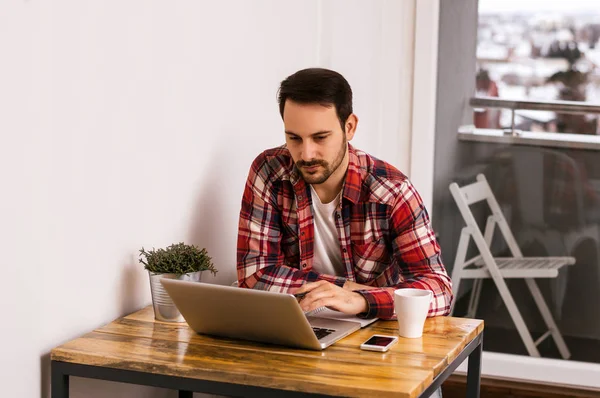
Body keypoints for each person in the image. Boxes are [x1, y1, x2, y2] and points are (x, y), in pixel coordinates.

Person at [236, 68, 453, 320]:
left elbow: (440, 291)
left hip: (372, 325)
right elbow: (254, 275)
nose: (306, 154)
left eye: (320, 137)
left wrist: (362, 300)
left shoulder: (392, 191)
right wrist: (344, 288)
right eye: (294, 138)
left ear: (349, 127)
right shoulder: (269, 172)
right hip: (298, 322)